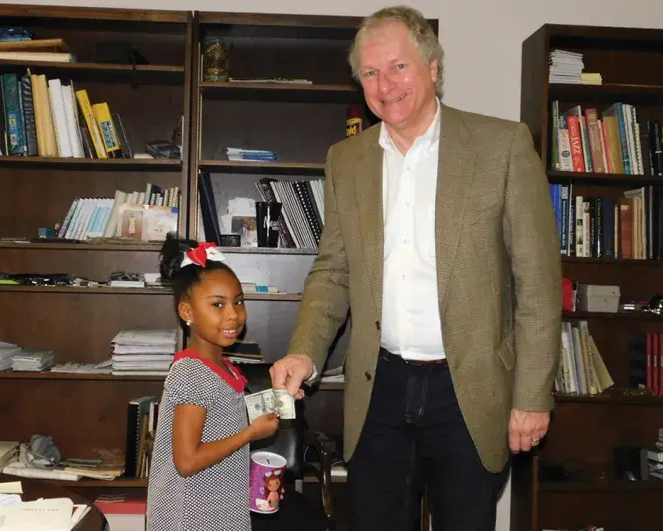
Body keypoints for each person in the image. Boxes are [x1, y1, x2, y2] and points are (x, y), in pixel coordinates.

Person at [269, 5, 562, 531]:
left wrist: (532, 397)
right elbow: (333, 271)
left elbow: (537, 285)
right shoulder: (345, 160)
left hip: (470, 390)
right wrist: (304, 351)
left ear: (433, 66)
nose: (386, 85)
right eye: (370, 72)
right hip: (378, 388)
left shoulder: (502, 146)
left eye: (399, 66)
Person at [147, 234, 280, 531]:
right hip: (192, 519)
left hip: (220, 509)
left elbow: (222, 423)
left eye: (238, 301)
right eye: (218, 304)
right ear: (187, 312)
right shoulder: (192, 373)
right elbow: (187, 461)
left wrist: (280, 399)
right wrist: (250, 434)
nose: (234, 314)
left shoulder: (224, 368)